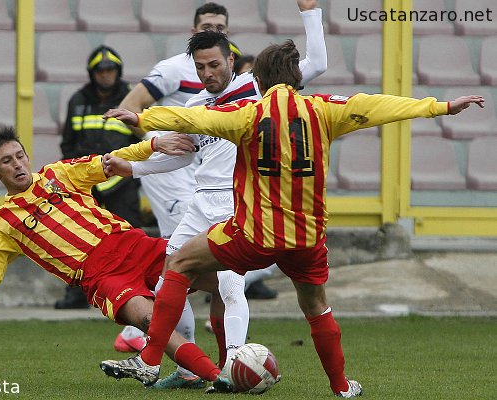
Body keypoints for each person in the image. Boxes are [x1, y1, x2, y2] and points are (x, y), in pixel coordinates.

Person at [100, 40, 484, 397]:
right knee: (316, 306)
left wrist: (142, 118)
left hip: (253, 235)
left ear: (260, 80)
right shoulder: (325, 109)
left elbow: (192, 121)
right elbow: (379, 106)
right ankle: (341, 386)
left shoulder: (245, 114)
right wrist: (441, 106)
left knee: (179, 262)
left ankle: (150, 360)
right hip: (307, 239)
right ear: (297, 78)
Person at [104, 2, 327, 390]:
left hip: (237, 201)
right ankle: (179, 361)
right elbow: (178, 156)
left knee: (229, 285)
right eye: (201, 67)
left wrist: (311, 12)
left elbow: (318, 63)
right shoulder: (194, 106)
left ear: (231, 61)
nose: (208, 73)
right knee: (167, 277)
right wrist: (134, 168)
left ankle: (233, 368)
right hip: (199, 201)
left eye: (215, 65)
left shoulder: (256, 88)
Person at [0, 128, 228, 385]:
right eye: (7, 161)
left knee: (222, 282)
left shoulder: (58, 174)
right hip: (103, 277)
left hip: (133, 245)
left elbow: (110, 162)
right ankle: (219, 378)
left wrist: (153, 144)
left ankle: (230, 360)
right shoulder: (1, 224)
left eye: (20, 156)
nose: (17, 165)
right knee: (149, 319)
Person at [110, 2, 230, 376]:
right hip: (170, 176)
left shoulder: (233, 79)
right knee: (185, 263)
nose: (213, 29)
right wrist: (157, 143)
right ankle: (176, 355)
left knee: (205, 269)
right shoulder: (174, 69)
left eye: (220, 27)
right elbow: (131, 105)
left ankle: (153, 338)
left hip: (203, 176)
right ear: (193, 31)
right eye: (206, 25)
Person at [55, 45, 141, 313]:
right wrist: (80, 177)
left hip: (122, 185)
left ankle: (133, 293)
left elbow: (141, 141)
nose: (106, 74)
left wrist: (128, 174)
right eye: (100, 70)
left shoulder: (130, 98)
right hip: (85, 185)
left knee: (128, 239)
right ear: (92, 73)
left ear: (118, 72)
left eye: (111, 69)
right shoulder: (78, 100)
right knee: (78, 240)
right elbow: (67, 143)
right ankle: (77, 293)